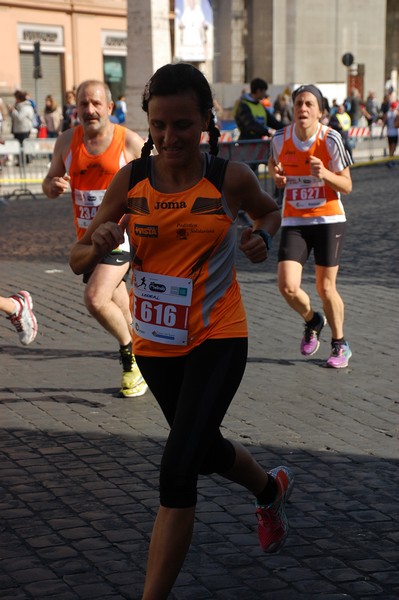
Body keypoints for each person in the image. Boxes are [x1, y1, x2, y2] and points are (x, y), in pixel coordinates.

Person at [69, 62, 294, 599]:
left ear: (205, 124)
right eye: (160, 125)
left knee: (176, 469)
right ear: (148, 123)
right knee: (201, 446)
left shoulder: (228, 178)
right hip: (155, 343)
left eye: (183, 125)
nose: (170, 137)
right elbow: (78, 258)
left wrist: (261, 236)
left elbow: (268, 213)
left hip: (219, 337)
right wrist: (99, 242)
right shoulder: (132, 181)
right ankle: (270, 489)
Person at [42, 79, 147, 397]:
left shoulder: (128, 142)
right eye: (83, 104)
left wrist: (127, 221)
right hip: (87, 241)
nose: (89, 110)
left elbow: (151, 189)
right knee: (119, 306)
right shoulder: (65, 142)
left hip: (120, 238)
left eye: (96, 103)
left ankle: (130, 360)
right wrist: (54, 186)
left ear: (110, 108)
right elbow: (48, 183)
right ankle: (147, 353)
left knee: (95, 298)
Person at [268, 84, 353, 368]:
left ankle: (340, 344)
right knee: (287, 286)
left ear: (319, 111)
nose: (303, 109)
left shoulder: (331, 140)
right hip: (295, 219)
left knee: (325, 287)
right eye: (298, 104)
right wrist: (277, 177)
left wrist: (325, 173)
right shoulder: (280, 138)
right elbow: (273, 165)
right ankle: (313, 320)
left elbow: (347, 185)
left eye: (309, 104)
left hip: (328, 219)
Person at [382, 100, 398, 165]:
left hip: (389, 132)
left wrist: (381, 132)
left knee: (390, 148)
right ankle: (390, 161)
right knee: (393, 148)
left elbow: (384, 123)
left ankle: (391, 160)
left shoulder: (387, 113)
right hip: (395, 133)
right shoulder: (397, 113)